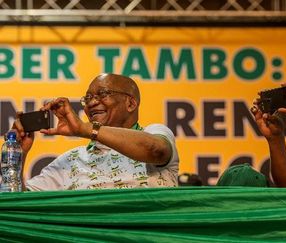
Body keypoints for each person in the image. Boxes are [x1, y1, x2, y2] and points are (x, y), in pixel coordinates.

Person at [12, 73, 179, 191]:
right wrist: (16, 157)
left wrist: (84, 129)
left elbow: (156, 151)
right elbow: (20, 204)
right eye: (88, 98)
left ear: (130, 103)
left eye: (103, 94)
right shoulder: (72, 160)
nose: (91, 103)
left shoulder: (154, 132)